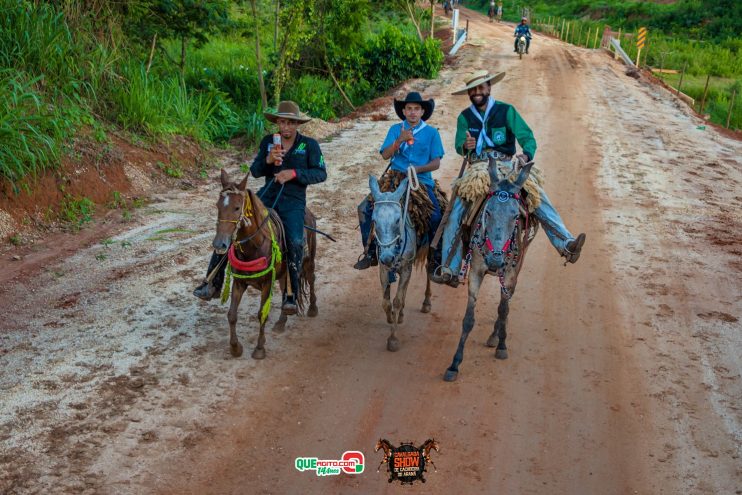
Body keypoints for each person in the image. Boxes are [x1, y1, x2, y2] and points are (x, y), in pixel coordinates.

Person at [432, 70, 586, 285]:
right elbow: (460, 146)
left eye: (480, 87)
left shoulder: (507, 111)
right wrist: (464, 146)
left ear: (488, 88)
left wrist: (525, 154)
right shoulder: (464, 117)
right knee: (456, 209)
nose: (477, 92)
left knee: (537, 197)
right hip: (478, 168)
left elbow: (527, 137)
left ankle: (565, 243)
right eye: (472, 89)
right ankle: (451, 267)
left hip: (506, 164)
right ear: (469, 92)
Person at [193, 101, 327, 315]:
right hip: (266, 196)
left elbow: (321, 173)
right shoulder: (268, 142)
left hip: (293, 200)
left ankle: (289, 295)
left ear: (297, 124)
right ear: (277, 123)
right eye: (282, 122)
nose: (285, 127)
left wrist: (293, 174)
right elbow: (255, 171)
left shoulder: (309, 145)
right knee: (233, 228)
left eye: (290, 123)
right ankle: (212, 282)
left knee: (295, 239)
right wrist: (268, 159)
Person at [354, 92, 445, 271]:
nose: (412, 112)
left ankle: (435, 257)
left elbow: (436, 162)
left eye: (416, 109)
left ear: (422, 112)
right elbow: (385, 155)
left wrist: (418, 169)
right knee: (364, 208)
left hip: (421, 181)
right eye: (409, 109)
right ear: (403, 111)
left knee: (436, 216)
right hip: (394, 178)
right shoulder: (395, 130)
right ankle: (370, 251)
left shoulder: (431, 133)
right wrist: (399, 141)